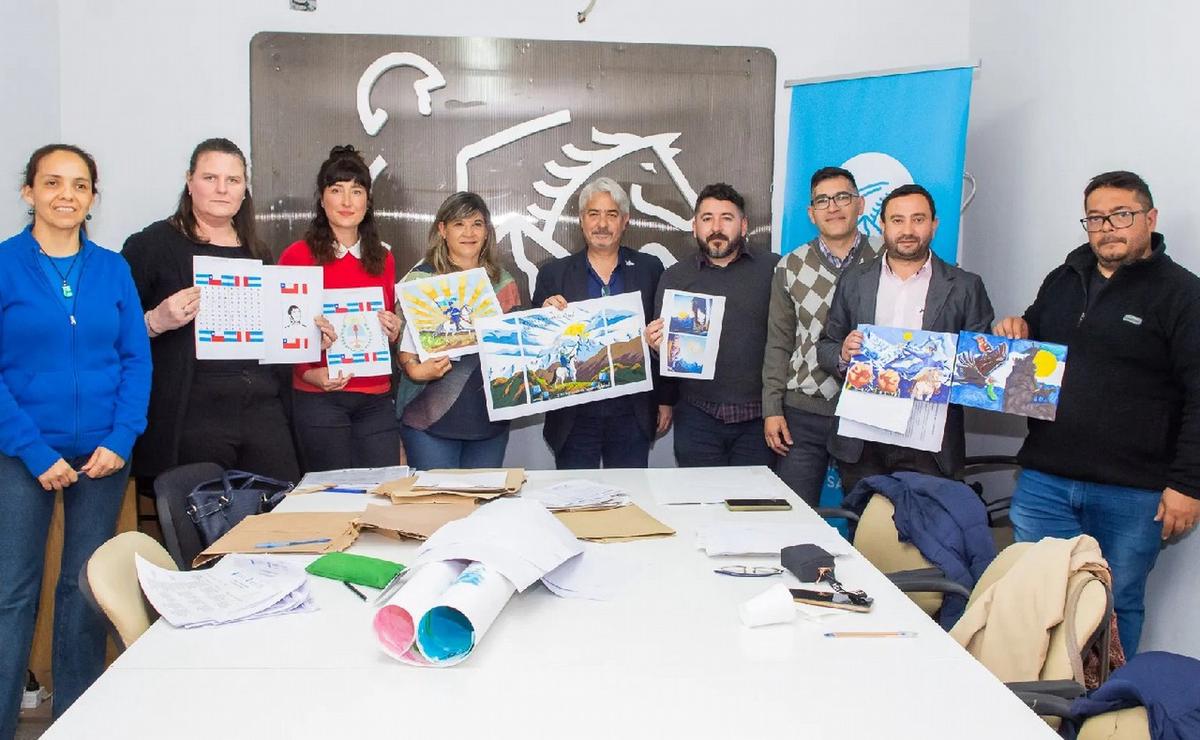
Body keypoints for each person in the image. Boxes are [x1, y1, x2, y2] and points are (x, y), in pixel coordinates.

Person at [994, 170, 1200, 654]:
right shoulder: (1062, 279)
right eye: (1095, 218)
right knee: (1036, 596)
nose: (1107, 227)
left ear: (1149, 219)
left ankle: (1102, 712)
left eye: (1121, 215)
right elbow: (1034, 350)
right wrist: (1015, 329)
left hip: (1131, 493)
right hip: (1046, 480)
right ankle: (1036, 705)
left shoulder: (1183, 295)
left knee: (1114, 603)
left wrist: (1188, 485)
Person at [0, 145, 151, 736]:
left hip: (105, 455)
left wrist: (120, 437)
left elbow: (135, 360)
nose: (67, 195)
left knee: (83, 588)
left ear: (93, 197)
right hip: (21, 452)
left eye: (80, 185)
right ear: (29, 192)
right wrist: (35, 452)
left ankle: (75, 720)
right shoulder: (5, 264)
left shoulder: (112, 268)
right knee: (14, 593)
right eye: (53, 183)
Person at [123, 138, 303, 483]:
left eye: (233, 180)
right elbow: (113, 332)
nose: (222, 189)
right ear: (189, 182)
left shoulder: (258, 252)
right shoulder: (151, 246)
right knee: (203, 521)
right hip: (191, 414)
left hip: (261, 407)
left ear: (244, 189)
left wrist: (306, 335)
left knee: (280, 508)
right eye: (210, 178)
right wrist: (154, 322)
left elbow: (272, 335)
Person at [817, 183, 994, 496]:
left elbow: (982, 372)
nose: (908, 229)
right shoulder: (855, 280)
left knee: (926, 539)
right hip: (863, 441)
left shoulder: (966, 286)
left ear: (934, 224)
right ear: (883, 225)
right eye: (897, 220)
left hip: (929, 445)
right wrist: (843, 354)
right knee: (863, 535)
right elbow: (826, 346)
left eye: (918, 219)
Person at [761, 167, 880, 505]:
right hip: (803, 412)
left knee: (868, 517)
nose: (833, 207)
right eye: (822, 201)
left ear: (860, 204)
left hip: (868, 411)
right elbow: (779, 342)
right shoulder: (790, 266)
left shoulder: (886, 257)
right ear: (811, 214)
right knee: (795, 515)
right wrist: (772, 408)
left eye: (842, 197)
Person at [279, 146, 402, 472]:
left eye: (356, 191)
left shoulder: (384, 259)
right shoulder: (297, 256)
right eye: (337, 190)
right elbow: (282, 332)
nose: (347, 202)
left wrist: (393, 329)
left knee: (380, 495)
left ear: (368, 200)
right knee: (330, 499)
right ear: (322, 199)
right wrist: (307, 372)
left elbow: (385, 326)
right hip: (319, 396)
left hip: (376, 397)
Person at [532, 177, 668, 469]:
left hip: (632, 411)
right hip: (574, 415)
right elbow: (535, 348)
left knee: (631, 500)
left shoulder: (650, 269)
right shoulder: (553, 275)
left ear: (625, 221)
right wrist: (543, 317)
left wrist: (667, 399)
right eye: (594, 214)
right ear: (581, 221)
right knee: (577, 504)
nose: (602, 224)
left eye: (612, 214)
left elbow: (665, 338)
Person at [644, 183, 777, 467]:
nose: (716, 227)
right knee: (700, 505)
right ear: (695, 227)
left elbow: (788, 340)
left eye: (726, 218)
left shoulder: (774, 270)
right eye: (707, 219)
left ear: (743, 226)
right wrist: (657, 346)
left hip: (758, 419)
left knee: (752, 507)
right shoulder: (674, 278)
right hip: (697, 416)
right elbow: (665, 353)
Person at [396, 192, 522, 468]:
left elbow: (515, 349)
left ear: (487, 232)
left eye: (477, 224)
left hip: (488, 420)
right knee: (437, 508)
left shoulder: (504, 283)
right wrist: (414, 369)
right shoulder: (421, 281)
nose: (469, 233)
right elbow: (400, 343)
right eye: (458, 224)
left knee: (483, 508)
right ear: (442, 230)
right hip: (428, 418)